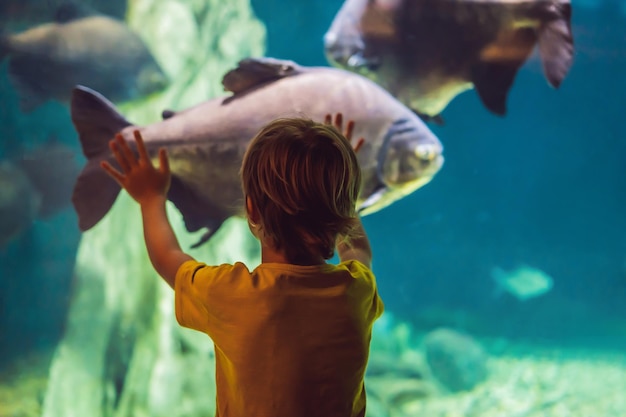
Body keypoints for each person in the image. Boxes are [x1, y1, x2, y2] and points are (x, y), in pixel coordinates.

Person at [101, 113, 384, 417]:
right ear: (342, 214)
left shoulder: (233, 296)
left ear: (252, 210)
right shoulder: (355, 291)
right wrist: (337, 187)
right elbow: (358, 249)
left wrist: (150, 198)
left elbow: (168, 257)